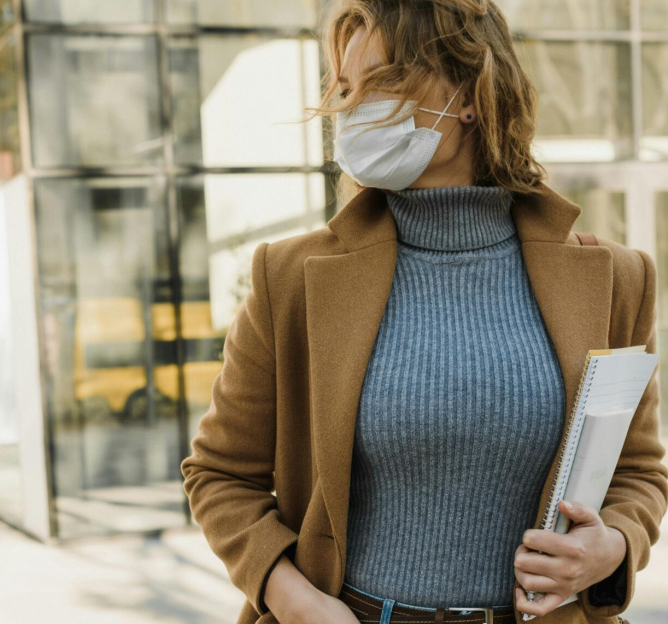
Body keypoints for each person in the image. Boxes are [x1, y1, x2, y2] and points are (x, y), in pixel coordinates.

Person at [181, 1, 667, 624]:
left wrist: (614, 546)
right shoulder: (290, 277)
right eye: (347, 88)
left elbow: (639, 473)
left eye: (381, 83)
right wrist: (294, 600)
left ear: (469, 92)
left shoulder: (617, 279)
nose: (353, 109)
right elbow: (220, 476)